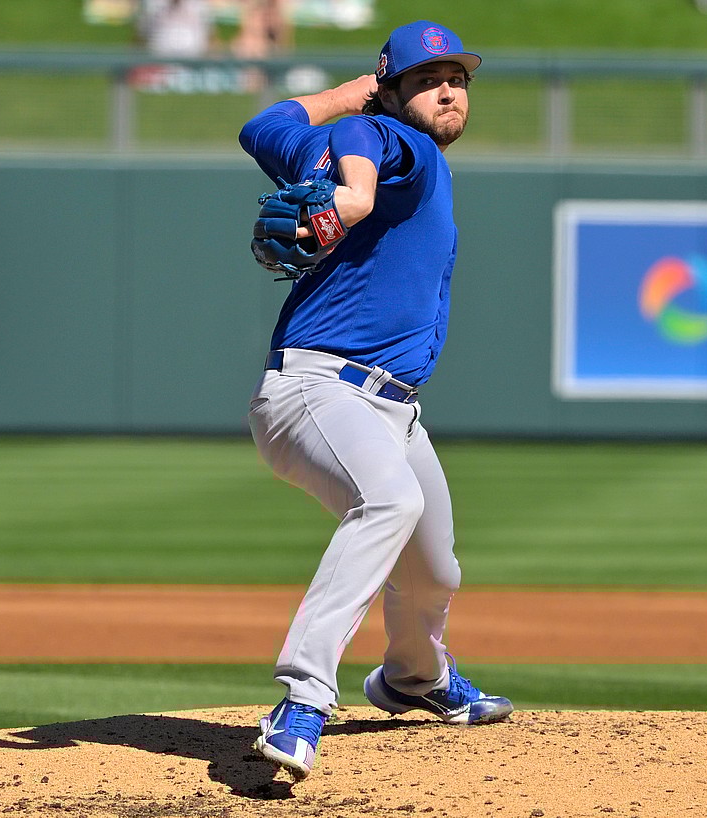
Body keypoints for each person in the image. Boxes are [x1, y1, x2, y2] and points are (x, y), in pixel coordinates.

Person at [238, 20, 514, 780]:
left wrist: (343, 99)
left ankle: (412, 678)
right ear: (391, 92)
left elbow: (263, 126)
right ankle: (302, 699)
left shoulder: (329, 141)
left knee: (434, 572)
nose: (449, 88)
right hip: (315, 387)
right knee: (389, 503)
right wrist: (354, 185)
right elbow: (367, 147)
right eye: (428, 79)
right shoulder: (396, 142)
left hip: (388, 407)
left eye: (457, 75)